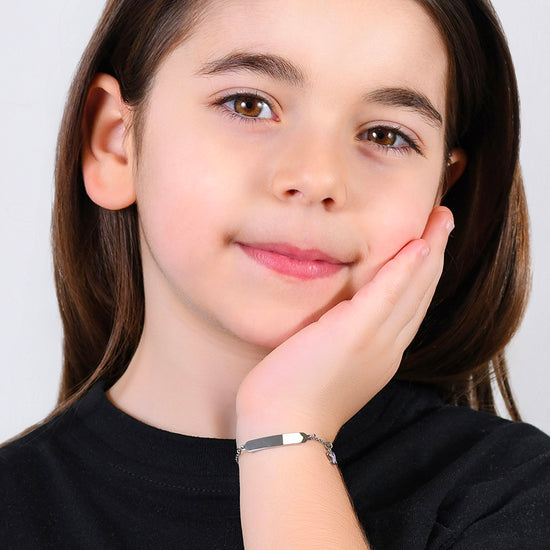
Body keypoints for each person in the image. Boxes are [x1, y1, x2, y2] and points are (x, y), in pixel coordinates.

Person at [1, 0, 549, 547]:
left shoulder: (515, 498)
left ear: (440, 192)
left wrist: (288, 432)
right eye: (248, 104)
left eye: (385, 136)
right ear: (115, 142)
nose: (316, 177)